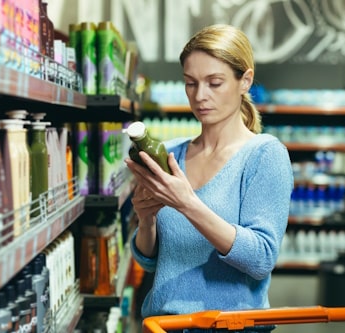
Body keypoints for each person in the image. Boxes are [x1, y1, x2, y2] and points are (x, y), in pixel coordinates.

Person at [125, 24, 294, 322]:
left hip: (230, 327)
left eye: (214, 83)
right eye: (191, 83)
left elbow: (261, 259)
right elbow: (150, 261)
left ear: (245, 81)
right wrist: (146, 218)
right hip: (165, 325)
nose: (200, 95)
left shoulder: (264, 155)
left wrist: (188, 204)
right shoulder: (171, 154)